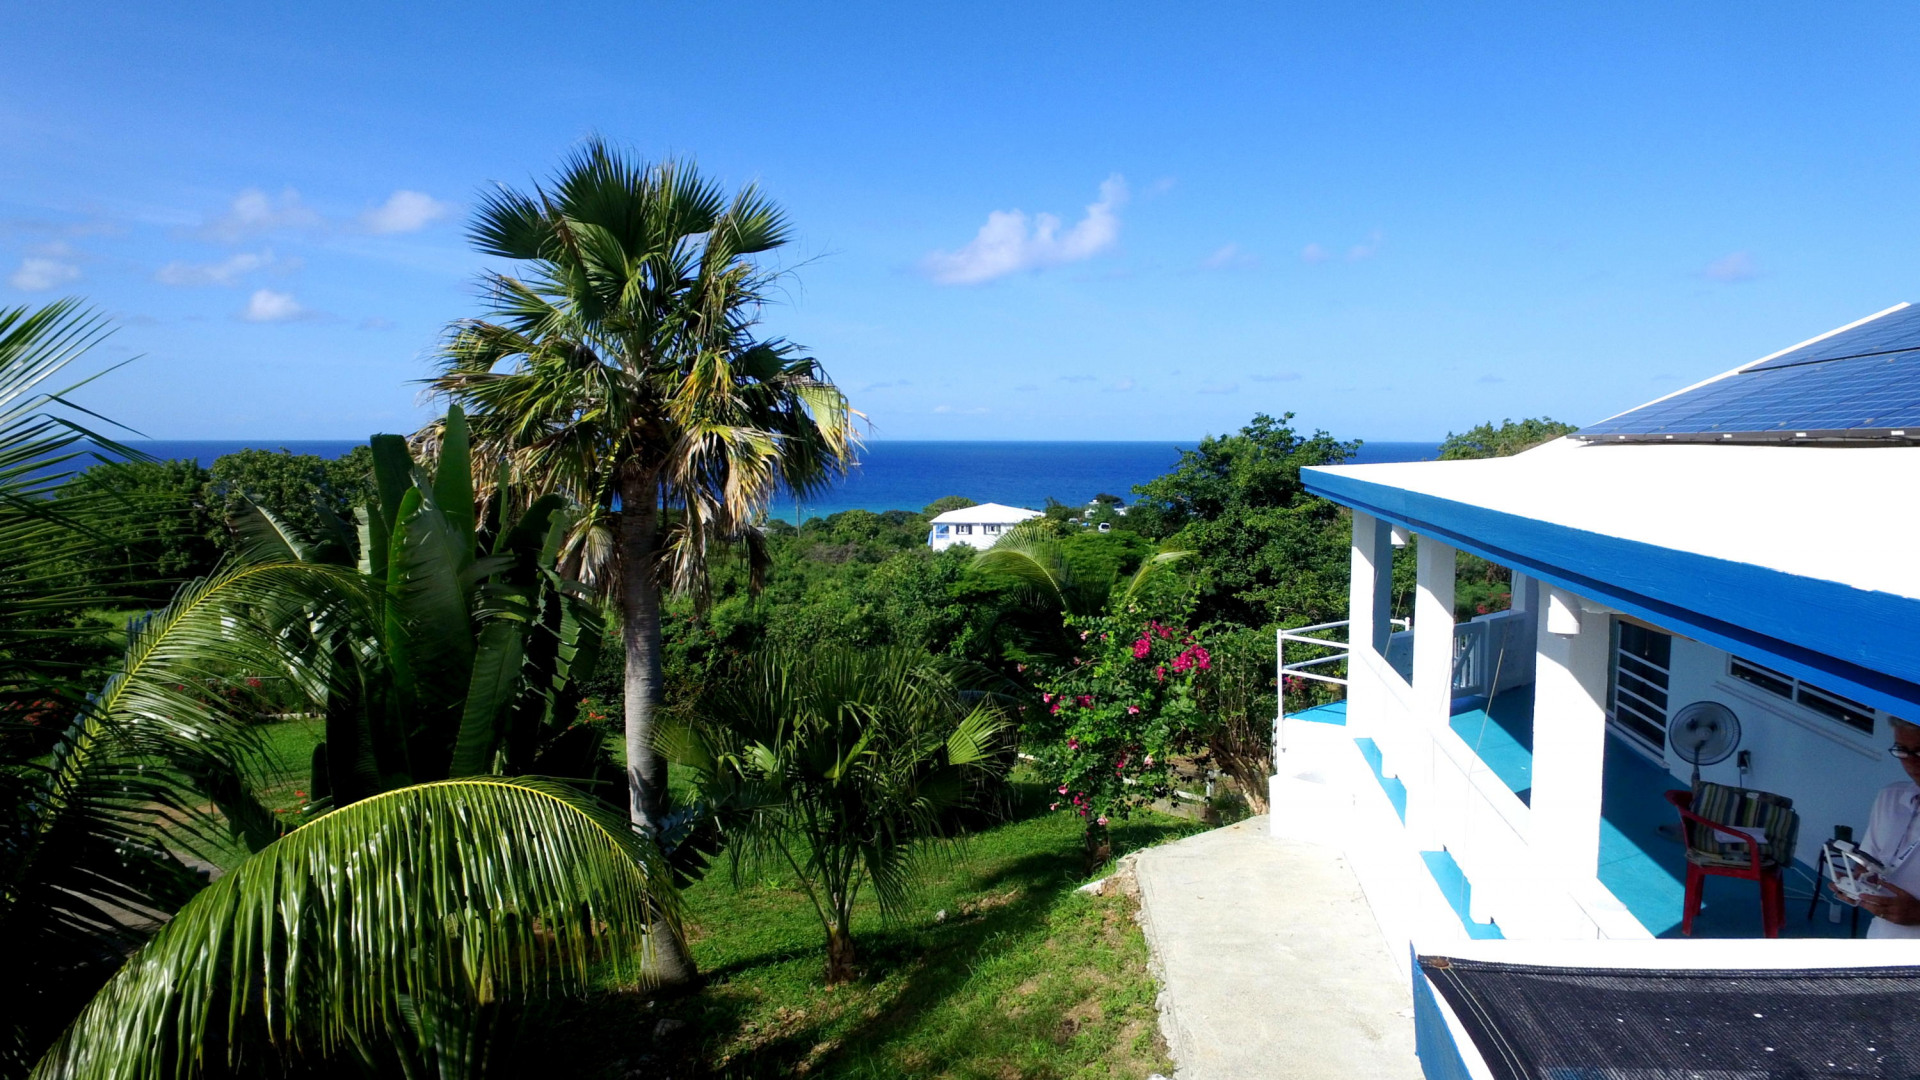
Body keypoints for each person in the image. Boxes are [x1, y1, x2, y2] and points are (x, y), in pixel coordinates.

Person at [1855, 717, 1920, 937]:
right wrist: (1857, 884)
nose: (1911, 762)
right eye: (1902, 750)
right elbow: (1867, 864)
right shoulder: (1890, 798)